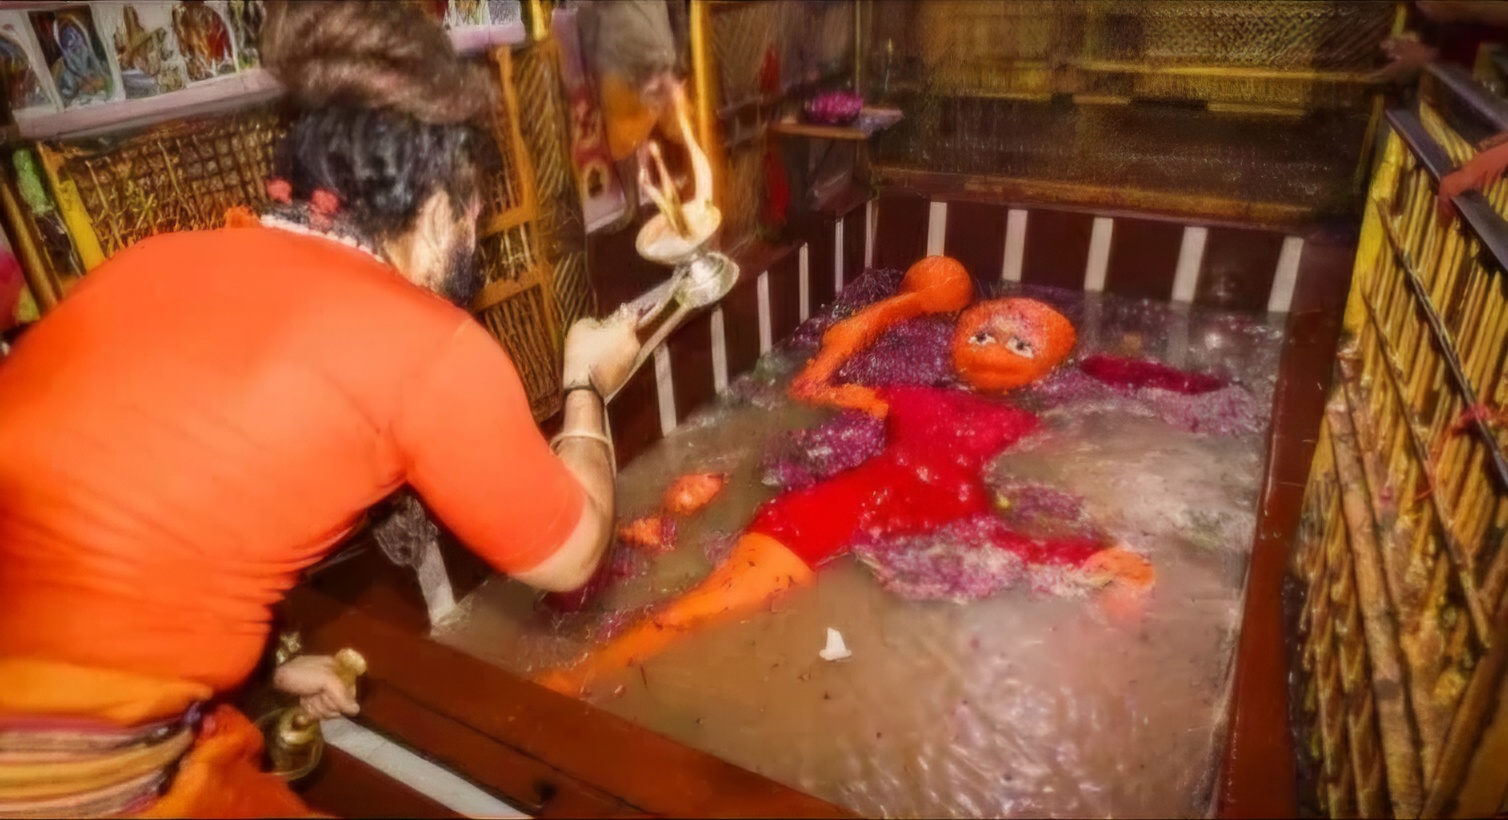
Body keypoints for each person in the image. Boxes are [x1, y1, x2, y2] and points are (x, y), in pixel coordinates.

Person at [0, 1, 638, 816]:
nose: (478, 227)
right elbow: (574, 554)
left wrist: (267, 670)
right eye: (473, 204)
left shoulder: (147, 261)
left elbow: (140, 530)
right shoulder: (423, 344)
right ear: (435, 211)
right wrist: (585, 381)